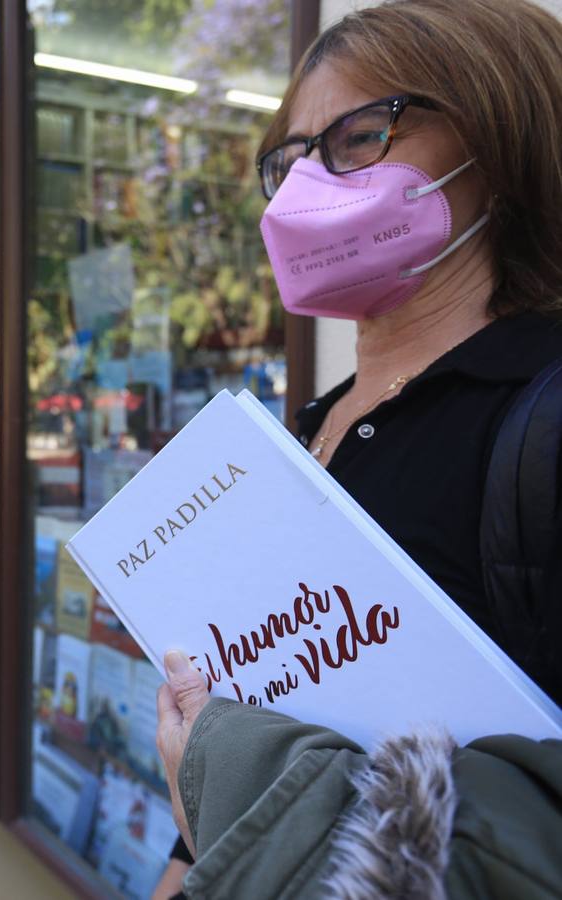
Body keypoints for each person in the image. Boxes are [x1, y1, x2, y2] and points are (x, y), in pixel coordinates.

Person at [155, 2, 562, 897]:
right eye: (291, 159)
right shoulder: (311, 423)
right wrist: (191, 857)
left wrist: (230, 781)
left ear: (498, 139)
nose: (307, 189)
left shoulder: (542, 416)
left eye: (359, 135)